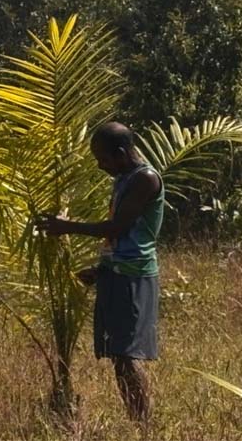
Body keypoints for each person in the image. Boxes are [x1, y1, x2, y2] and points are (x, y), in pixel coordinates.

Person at [36, 121, 164, 429]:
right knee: (119, 357)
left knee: (126, 356)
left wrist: (67, 227)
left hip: (134, 276)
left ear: (120, 153)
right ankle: (139, 424)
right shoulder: (123, 179)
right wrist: (102, 268)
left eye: (103, 159)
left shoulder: (145, 179)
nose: (100, 165)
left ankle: (144, 426)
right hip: (117, 273)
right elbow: (121, 236)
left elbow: (117, 228)